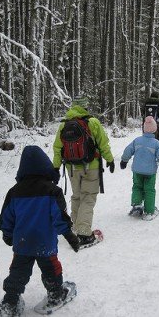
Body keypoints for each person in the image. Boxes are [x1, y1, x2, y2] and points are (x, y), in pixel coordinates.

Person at [0, 145, 79, 317]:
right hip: (45, 243)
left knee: (18, 272)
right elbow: (60, 218)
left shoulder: (14, 192)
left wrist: (8, 234)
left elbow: (6, 218)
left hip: (23, 243)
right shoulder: (52, 191)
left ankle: (10, 301)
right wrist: (69, 235)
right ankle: (56, 293)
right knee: (51, 269)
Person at [52, 96, 114, 247]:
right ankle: (84, 233)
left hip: (71, 168)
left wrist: (55, 167)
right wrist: (110, 159)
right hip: (91, 166)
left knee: (77, 197)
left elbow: (57, 148)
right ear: (85, 107)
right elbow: (103, 143)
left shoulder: (64, 125)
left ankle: (75, 227)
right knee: (88, 197)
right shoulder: (92, 122)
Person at [120, 116, 159, 220]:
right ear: (155, 130)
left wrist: (124, 160)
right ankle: (149, 211)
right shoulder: (157, 143)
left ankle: (137, 205)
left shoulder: (137, 140)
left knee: (137, 186)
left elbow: (128, 150)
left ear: (144, 129)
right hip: (150, 173)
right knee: (149, 190)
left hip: (137, 171)